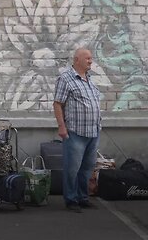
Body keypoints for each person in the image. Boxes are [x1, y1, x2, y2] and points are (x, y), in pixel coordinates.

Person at [53, 48, 101, 213]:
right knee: (72, 168)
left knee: (87, 168)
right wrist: (61, 127)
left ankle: (83, 197)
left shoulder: (90, 78)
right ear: (77, 59)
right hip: (75, 132)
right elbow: (58, 103)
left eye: (91, 58)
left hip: (93, 131)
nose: (90, 61)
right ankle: (71, 199)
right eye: (87, 58)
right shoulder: (65, 79)